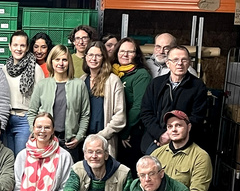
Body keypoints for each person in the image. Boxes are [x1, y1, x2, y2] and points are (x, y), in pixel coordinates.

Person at [151, 110, 212, 191]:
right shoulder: (156, 154)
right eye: (170, 126)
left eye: (178, 125)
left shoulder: (201, 156)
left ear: (189, 127)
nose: (173, 129)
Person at [28, 44, 90, 163]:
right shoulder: (42, 85)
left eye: (64, 60)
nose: (61, 63)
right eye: (57, 59)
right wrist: (36, 132)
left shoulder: (79, 85)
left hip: (70, 142)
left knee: (69, 173)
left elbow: (85, 114)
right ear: (51, 61)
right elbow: (32, 112)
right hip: (46, 140)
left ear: (69, 62)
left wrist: (79, 137)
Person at [140, 45, 207, 154]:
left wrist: (172, 136)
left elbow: (197, 117)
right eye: (175, 60)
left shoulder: (198, 87)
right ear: (168, 63)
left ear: (189, 63)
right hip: (155, 139)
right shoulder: (156, 84)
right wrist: (160, 134)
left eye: (184, 60)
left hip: (184, 142)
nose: (180, 63)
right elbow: (146, 112)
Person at [111, 37, 151, 172]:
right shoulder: (113, 72)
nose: (125, 55)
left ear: (137, 54)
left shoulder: (141, 75)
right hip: (114, 130)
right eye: (122, 51)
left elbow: (138, 107)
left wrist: (124, 131)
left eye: (130, 52)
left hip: (130, 133)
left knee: (127, 170)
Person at [2, 30, 44, 157]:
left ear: (27, 48)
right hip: (6, 119)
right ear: (10, 46)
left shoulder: (35, 69)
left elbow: (41, 100)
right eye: (15, 45)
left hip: (25, 120)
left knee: (21, 158)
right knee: (8, 158)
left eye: (22, 45)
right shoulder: (4, 69)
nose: (18, 49)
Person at [81, 41, 126, 157]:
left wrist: (101, 136)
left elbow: (120, 117)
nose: (93, 59)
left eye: (98, 55)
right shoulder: (82, 80)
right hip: (83, 139)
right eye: (90, 55)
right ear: (85, 57)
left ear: (104, 58)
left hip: (105, 139)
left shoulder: (113, 81)